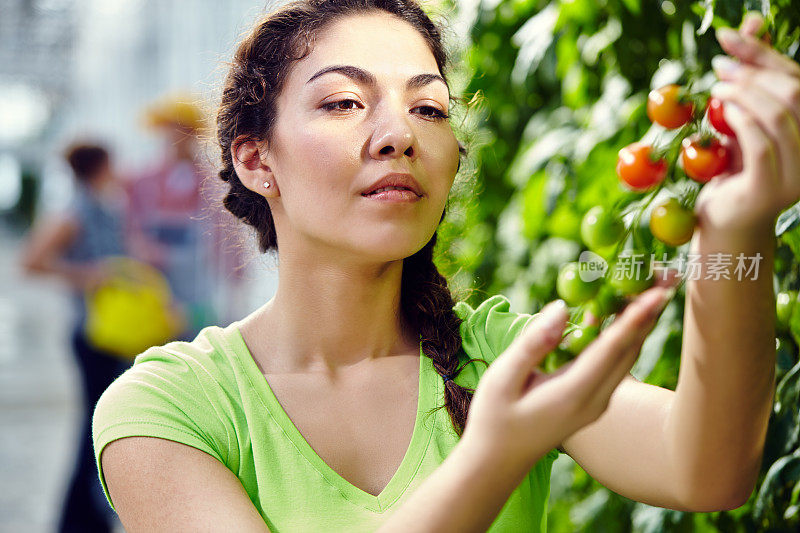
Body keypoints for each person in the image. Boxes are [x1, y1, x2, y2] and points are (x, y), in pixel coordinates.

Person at [91, 2, 800, 531]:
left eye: (428, 108)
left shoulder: (499, 356)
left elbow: (710, 466)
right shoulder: (167, 408)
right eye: (343, 102)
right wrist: (493, 454)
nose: (399, 134)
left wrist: (736, 226)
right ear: (256, 158)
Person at [21, 142, 131, 532]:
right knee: (96, 424)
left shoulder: (102, 206)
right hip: (91, 333)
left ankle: (86, 517)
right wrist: (87, 274)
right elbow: (32, 261)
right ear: (99, 166)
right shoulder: (76, 210)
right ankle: (78, 520)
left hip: (109, 331)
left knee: (99, 422)